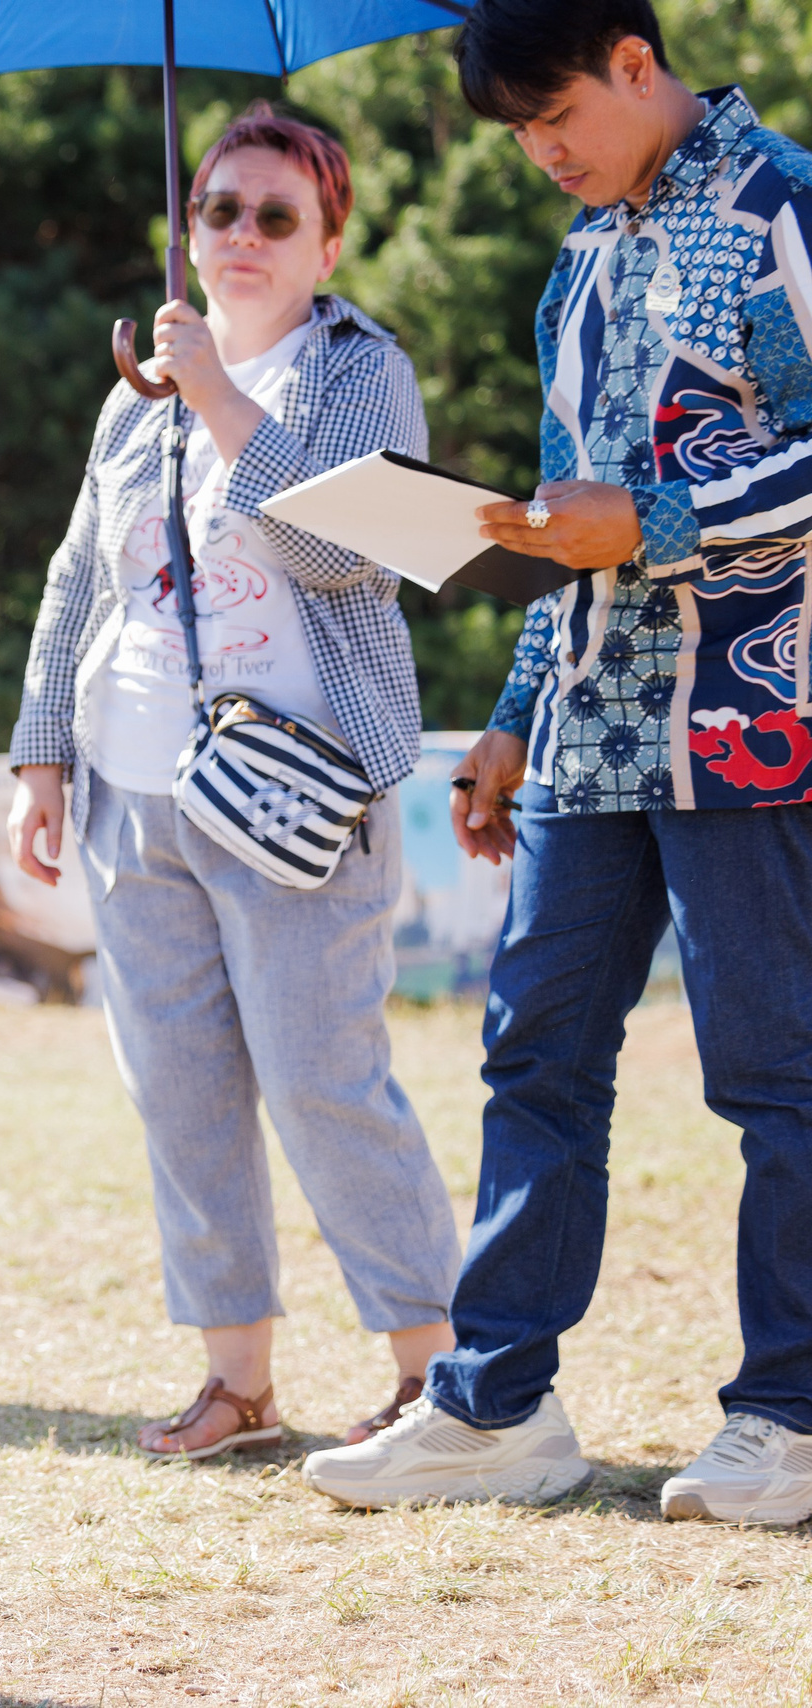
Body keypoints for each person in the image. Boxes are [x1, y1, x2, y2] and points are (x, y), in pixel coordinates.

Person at [305, 0, 812, 1522]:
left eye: (557, 117)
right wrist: (516, 713)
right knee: (534, 1057)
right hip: (590, 724)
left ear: (636, 64)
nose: (541, 154)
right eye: (519, 134)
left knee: (778, 1077)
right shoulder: (578, 257)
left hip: (756, 713)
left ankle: (791, 1415)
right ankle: (497, 1408)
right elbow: (554, 512)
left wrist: (655, 526)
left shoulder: (782, 205)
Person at [7, 105, 460, 1459]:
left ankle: (439, 1372)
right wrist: (41, 752)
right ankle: (237, 1383)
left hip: (297, 789)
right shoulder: (129, 397)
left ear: (329, 241)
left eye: (277, 215)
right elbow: (78, 576)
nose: (243, 236)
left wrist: (216, 394)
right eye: (220, 211)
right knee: (180, 1086)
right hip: (132, 785)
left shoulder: (358, 373)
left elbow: (351, 558)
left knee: (328, 1079)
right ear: (187, 228)